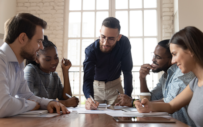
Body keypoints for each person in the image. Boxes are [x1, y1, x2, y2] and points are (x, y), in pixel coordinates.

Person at [0, 13, 69, 118]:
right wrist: (32, 105)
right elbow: (3, 106)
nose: (41, 47)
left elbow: (27, 95)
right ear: (22, 38)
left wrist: (49, 103)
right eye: (39, 41)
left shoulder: (17, 64)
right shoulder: (1, 60)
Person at [134, 26, 203, 127]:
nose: (173, 61)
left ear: (190, 50)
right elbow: (171, 106)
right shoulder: (195, 82)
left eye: (174, 54)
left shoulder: (188, 77)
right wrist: (148, 106)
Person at [116, 40, 195, 126]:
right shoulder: (165, 76)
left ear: (171, 59)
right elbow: (151, 98)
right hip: (172, 123)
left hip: (184, 124)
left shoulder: (182, 73)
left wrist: (133, 102)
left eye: (158, 57)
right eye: (154, 55)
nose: (153, 59)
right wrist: (142, 78)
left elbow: (169, 103)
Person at [84, 17, 133, 110]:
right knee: (95, 120)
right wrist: (89, 98)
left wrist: (127, 96)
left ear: (119, 37)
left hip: (115, 87)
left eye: (111, 39)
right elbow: (87, 79)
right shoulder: (90, 50)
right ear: (100, 32)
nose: (105, 43)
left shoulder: (124, 43)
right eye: (103, 37)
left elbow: (127, 71)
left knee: (118, 119)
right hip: (96, 88)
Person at [24, 35, 79, 107]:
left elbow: (66, 97)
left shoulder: (54, 76)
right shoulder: (31, 70)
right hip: (32, 117)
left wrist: (65, 71)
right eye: (48, 59)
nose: (54, 62)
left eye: (56, 58)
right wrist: (64, 103)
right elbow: (27, 101)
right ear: (36, 59)